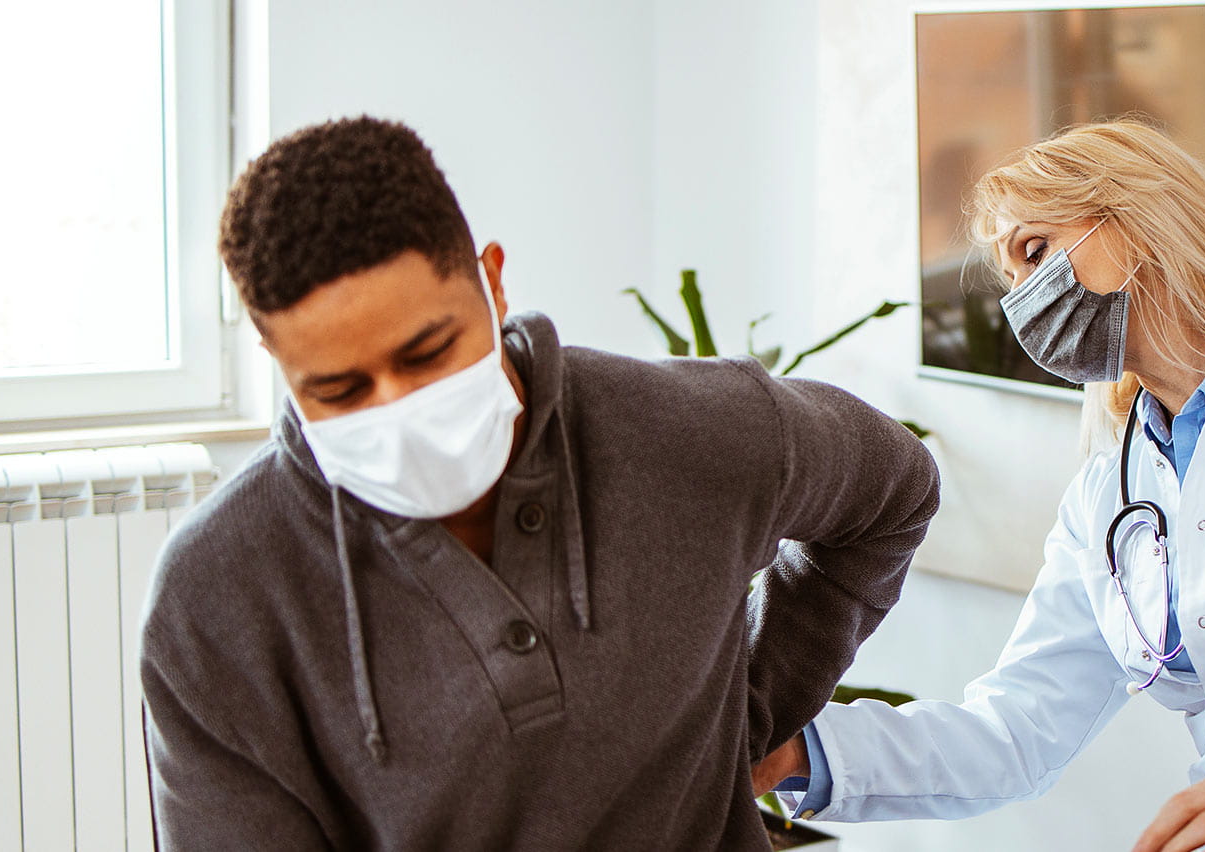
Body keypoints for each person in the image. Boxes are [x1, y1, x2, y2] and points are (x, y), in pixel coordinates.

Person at [139, 116, 940, 850]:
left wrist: (752, 716)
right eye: (340, 390)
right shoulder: (214, 599)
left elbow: (894, 493)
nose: (398, 411)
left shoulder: (699, 432)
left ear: (492, 283)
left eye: (427, 354)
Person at [753, 120, 1205, 852]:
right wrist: (796, 750)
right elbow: (1017, 730)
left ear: (1139, 221)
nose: (1022, 303)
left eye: (1035, 251)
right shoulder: (1108, 495)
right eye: (1011, 279)